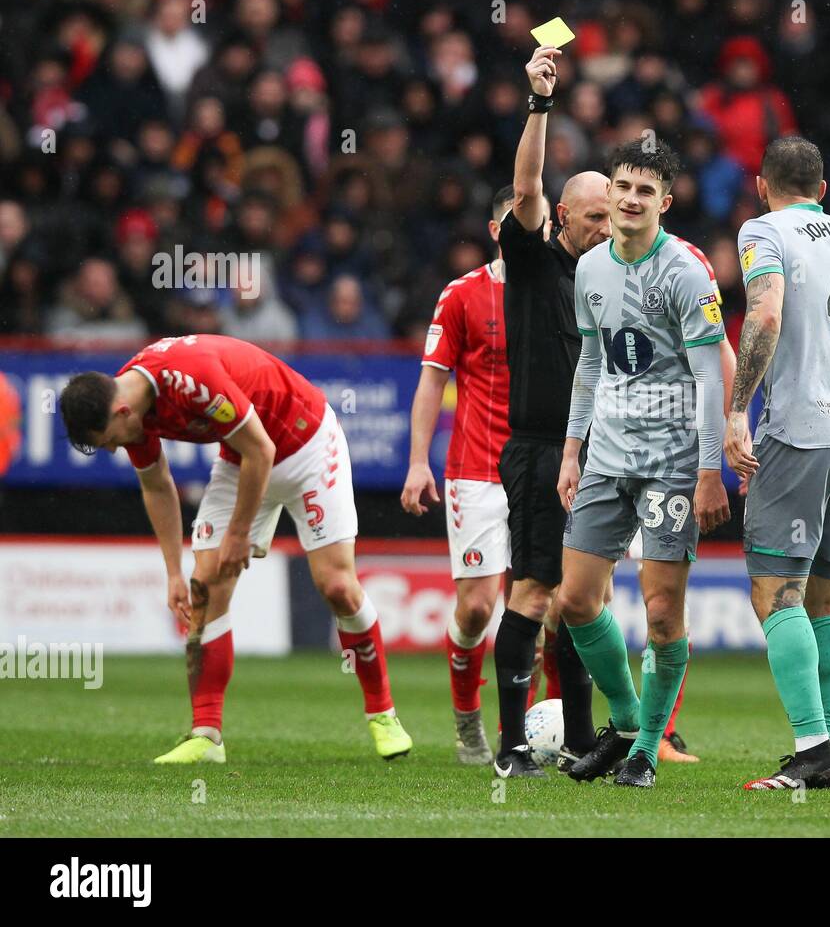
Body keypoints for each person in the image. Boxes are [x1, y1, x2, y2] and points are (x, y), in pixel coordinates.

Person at [58, 334, 412, 764]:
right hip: (243, 455)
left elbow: (263, 449)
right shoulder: (128, 404)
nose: (114, 447)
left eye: (110, 438)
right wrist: (173, 572)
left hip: (307, 444)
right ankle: (206, 736)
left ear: (121, 411)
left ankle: (383, 713)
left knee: (337, 586)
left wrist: (239, 534)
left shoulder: (190, 380)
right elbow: (156, 484)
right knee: (204, 585)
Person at [554, 139, 730, 788]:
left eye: (644, 191)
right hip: (605, 456)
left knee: (660, 615)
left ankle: (647, 751)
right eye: (623, 187)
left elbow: (711, 375)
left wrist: (711, 470)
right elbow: (592, 363)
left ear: (665, 201)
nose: (630, 199)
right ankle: (626, 721)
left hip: (672, 462)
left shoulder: (685, 271)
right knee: (574, 599)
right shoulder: (591, 268)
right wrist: (572, 450)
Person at [725, 136, 830, 791]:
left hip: (801, 427)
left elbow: (765, 313)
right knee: (826, 598)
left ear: (762, 186)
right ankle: (822, 745)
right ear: (822, 190)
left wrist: (739, 412)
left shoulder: (762, 230)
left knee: (775, 593)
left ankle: (813, 748)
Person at [490, 44, 607, 778]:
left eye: (612, 216)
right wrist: (539, 103)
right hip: (539, 450)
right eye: (593, 216)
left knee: (582, 599)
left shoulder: (616, 275)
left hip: (600, 456)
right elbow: (526, 184)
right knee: (534, 591)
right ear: (563, 216)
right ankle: (508, 747)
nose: (606, 226)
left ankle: (578, 738)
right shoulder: (536, 261)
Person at [402, 185, 515, 765]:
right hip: (475, 471)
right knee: (476, 609)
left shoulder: (565, 288)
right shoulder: (462, 295)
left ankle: (521, 735)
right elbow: (432, 380)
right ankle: (468, 720)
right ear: (497, 229)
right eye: (516, 221)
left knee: (537, 610)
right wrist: (419, 461)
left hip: (544, 470)